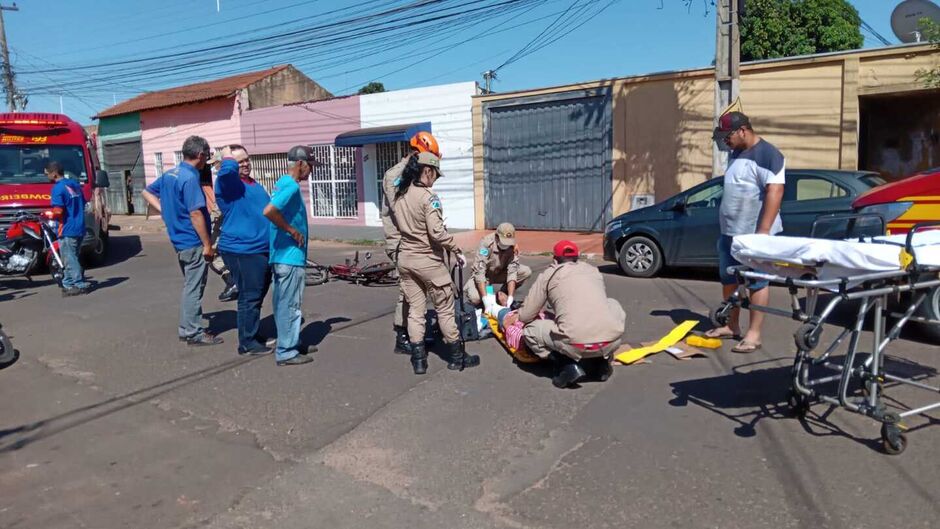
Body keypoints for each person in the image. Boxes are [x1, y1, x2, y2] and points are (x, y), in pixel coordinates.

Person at [705, 111, 785, 353]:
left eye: (727, 136)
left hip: (753, 235)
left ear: (743, 131)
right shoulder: (736, 153)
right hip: (730, 233)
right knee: (729, 279)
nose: (725, 141)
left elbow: (775, 191)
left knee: (756, 282)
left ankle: (754, 334)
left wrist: (763, 232)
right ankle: (732, 326)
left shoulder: (768, 155)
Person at [393, 151, 477, 375]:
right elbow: (437, 233)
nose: (435, 179)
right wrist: (456, 249)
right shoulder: (429, 198)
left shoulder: (401, 194)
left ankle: (419, 360)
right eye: (435, 175)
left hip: (406, 260)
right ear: (427, 171)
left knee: (415, 312)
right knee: (445, 309)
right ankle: (457, 357)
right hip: (428, 261)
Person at [502, 241, 625, 389]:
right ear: (577, 258)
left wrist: (516, 317)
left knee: (530, 331)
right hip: (611, 341)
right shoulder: (593, 271)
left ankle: (566, 365)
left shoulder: (550, 274)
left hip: (575, 343)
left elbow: (528, 314)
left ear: (554, 260)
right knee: (612, 303)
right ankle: (600, 363)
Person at [141, 135, 222, 346]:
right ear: (201, 155)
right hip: (191, 240)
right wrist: (207, 244)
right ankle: (191, 331)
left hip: (178, 239)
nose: (207, 162)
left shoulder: (171, 174)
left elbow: (146, 192)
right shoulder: (190, 177)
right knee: (194, 287)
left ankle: (188, 327)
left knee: (190, 284)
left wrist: (165, 210)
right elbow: (196, 214)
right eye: (207, 157)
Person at [382, 131, 440, 356]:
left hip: (416, 240)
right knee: (407, 289)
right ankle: (402, 335)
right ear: (417, 152)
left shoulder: (416, 173)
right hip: (401, 239)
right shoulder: (395, 175)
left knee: (418, 287)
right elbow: (402, 209)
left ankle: (414, 329)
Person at [215, 144, 273, 356]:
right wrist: (227, 155)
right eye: (240, 161)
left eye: (247, 159)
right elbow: (227, 170)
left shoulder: (253, 184)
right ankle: (247, 342)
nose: (245, 164)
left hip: (260, 248)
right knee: (249, 296)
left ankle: (253, 333)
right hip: (242, 250)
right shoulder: (228, 184)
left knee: (256, 294)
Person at [262, 145, 318, 367]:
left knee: (284, 304)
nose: (311, 171)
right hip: (289, 256)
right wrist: (291, 230)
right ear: (300, 164)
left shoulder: (283, 183)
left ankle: (291, 341)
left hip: (282, 255)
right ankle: (286, 351)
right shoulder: (291, 187)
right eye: (310, 166)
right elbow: (269, 211)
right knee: (290, 305)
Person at [465, 222, 531, 313]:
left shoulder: (512, 245)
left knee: (525, 271)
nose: (506, 245)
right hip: (485, 276)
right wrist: (485, 299)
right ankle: (487, 297)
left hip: (500, 273)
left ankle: (503, 293)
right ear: (497, 237)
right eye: (504, 241)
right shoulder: (486, 244)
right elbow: (479, 271)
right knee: (475, 298)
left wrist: (511, 296)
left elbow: (512, 271)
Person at [47, 161, 90, 296]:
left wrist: (48, 214)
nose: (47, 176)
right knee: (71, 256)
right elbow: (83, 204)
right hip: (79, 226)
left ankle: (79, 283)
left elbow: (58, 211)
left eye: (47, 173)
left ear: (54, 173)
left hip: (67, 228)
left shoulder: (58, 189)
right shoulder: (74, 185)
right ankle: (68, 283)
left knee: (69, 257)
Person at [201, 160, 238, 302]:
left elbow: (219, 208)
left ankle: (232, 282)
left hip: (222, 226)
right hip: (229, 224)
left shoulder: (223, 181)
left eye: (215, 163)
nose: (213, 166)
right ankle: (232, 282)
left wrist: (209, 223)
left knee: (211, 255)